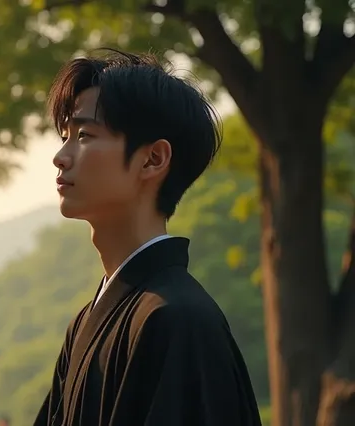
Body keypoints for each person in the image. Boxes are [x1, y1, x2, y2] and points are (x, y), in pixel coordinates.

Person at [33, 49, 262, 425]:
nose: (61, 156)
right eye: (65, 136)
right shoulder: (86, 323)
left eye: (85, 135)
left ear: (153, 159)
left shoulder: (180, 321)